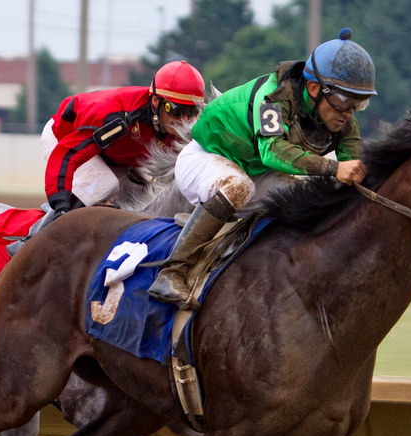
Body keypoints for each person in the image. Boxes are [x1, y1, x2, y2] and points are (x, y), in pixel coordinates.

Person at [148, 29, 376, 308]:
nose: (348, 114)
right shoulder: (272, 98)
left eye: (358, 104)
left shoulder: (342, 120)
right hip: (204, 157)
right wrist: (334, 168)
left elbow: (356, 170)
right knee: (238, 187)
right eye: (343, 102)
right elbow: (273, 152)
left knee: (306, 195)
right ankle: (172, 271)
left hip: (253, 171)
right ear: (315, 89)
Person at [40, 60, 205, 219]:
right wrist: (60, 205)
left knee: (145, 193)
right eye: (176, 110)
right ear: (156, 102)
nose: (183, 120)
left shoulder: (172, 125)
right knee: (105, 183)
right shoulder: (121, 118)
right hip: (64, 138)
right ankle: (39, 234)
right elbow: (67, 153)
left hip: (111, 154)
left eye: (190, 112)